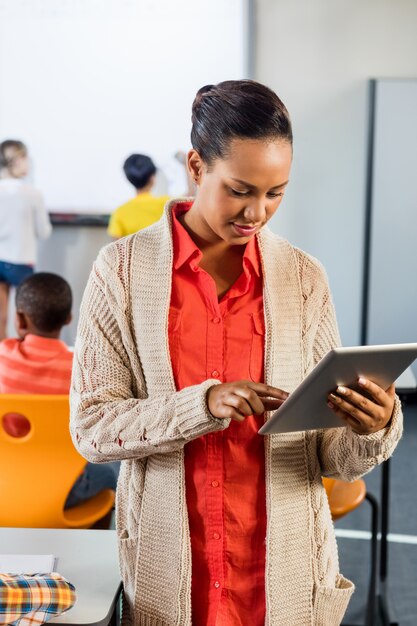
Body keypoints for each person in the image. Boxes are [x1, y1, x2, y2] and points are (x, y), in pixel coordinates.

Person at [70, 80, 403, 625]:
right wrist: (203, 405)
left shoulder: (303, 278)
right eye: (241, 189)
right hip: (170, 568)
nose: (258, 212)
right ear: (197, 167)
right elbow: (92, 429)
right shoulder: (123, 272)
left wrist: (370, 425)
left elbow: (330, 457)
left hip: (283, 574)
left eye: (276, 193)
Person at [0, 272, 119, 510]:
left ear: (20, 320)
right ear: (69, 319)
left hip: (6, 485)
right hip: (63, 491)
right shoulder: (81, 368)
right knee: (116, 467)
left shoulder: (3, 356)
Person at [0, 139, 52, 341]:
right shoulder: (32, 193)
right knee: (26, 318)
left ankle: (3, 362)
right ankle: (24, 360)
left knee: (1, 317)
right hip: (21, 260)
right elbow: (44, 231)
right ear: (17, 161)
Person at [107, 153, 170, 239]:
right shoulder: (168, 204)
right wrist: (185, 165)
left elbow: (116, 248)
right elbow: (190, 197)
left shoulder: (120, 212)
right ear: (152, 178)